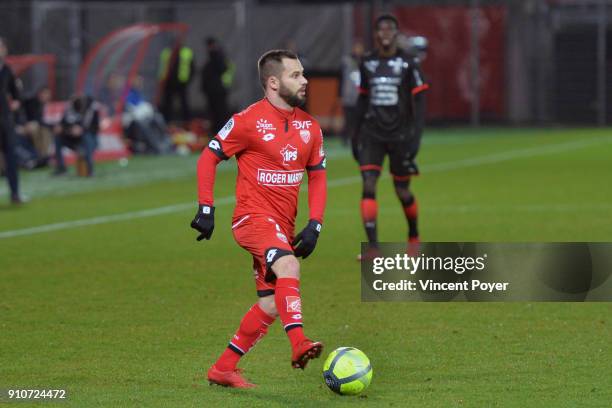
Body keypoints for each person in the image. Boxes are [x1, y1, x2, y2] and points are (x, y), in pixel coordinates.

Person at [190, 49, 327, 388]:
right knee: (289, 266)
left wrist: (315, 224)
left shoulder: (310, 127)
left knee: (269, 303)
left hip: (282, 226)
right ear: (273, 82)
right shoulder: (248, 120)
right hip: (252, 219)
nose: (305, 80)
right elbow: (208, 157)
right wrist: (206, 207)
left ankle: (223, 369)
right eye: (296, 75)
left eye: (303, 73)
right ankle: (299, 345)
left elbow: (318, 177)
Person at [352, 14, 429, 259]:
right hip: (372, 133)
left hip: (400, 135)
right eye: (381, 29)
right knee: (368, 184)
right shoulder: (367, 63)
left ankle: (414, 237)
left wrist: (415, 137)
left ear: (396, 33)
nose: (385, 33)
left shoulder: (408, 63)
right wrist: (355, 134)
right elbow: (362, 98)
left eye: (390, 29)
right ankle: (373, 247)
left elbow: (420, 100)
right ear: (376, 34)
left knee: (402, 191)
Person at [53, 95, 100, 177]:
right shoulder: (69, 108)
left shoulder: (92, 109)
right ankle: (61, 168)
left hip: (89, 140)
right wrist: (65, 129)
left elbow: (94, 128)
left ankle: (90, 169)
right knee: (57, 138)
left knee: (87, 136)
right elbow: (62, 124)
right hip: (71, 138)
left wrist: (82, 129)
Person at [0, 36, 23, 203]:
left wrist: (15, 103)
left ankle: (15, 193)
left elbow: (16, 95)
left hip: (5, 121)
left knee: (11, 158)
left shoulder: (7, 70)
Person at [200, 37, 231, 135]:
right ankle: (215, 132)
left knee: (220, 113)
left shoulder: (218, 57)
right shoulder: (212, 58)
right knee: (213, 113)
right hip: (212, 91)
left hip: (219, 90)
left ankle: (221, 133)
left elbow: (221, 69)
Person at [159, 44, 194, 123]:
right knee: (167, 103)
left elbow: (192, 67)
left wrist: (188, 80)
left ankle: (187, 121)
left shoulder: (186, 52)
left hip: (182, 82)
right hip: (169, 82)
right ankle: (166, 121)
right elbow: (162, 67)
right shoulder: (166, 52)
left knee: (184, 103)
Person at [340, 40, 365, 145]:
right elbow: (341, 78)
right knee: (348, 119)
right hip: (348, 95)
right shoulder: (347, 61)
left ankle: (358, 138)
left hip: (360, 95)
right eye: (356, 48)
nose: (358, 50)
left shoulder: (364, 61)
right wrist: (340, 94)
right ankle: (345, 138)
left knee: (359, 118)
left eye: (360, 48)